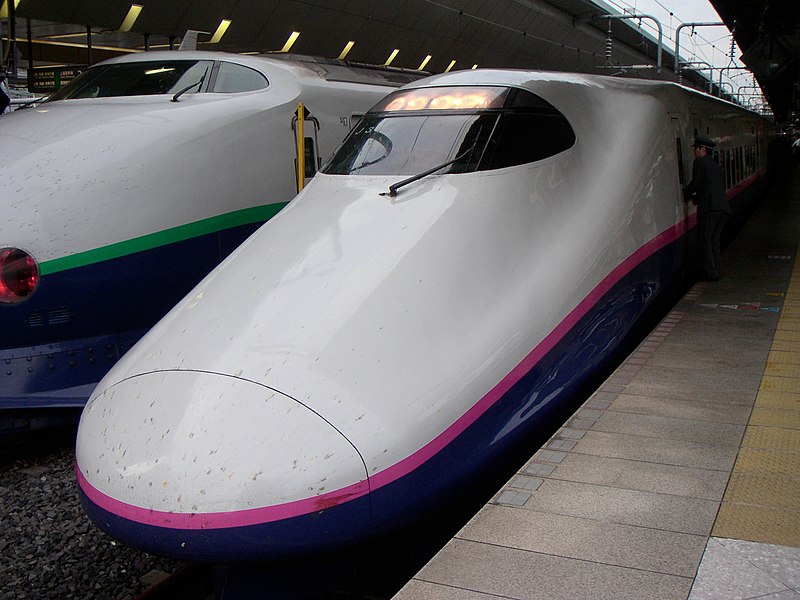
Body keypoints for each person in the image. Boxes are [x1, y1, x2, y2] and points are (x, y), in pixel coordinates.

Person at [684, 136, 730, 281]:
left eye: (696, 149)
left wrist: (685, 193)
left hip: (710, 209)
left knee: (706, 240)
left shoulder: (700, 162)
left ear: (702, 149)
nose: (694, 152)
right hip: (723, 208)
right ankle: (716, 268)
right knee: (714, 241)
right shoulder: (716, 165)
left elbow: (696, 184)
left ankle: (710, 272)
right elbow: (712, 187)